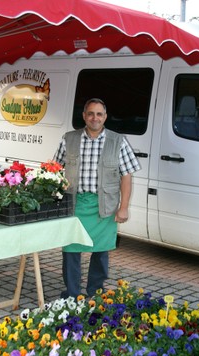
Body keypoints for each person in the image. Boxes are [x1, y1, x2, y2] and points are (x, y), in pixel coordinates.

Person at [54, 98, 140, 299]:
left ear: (105, 117)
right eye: (90, 113)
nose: (95, 118)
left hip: (104, 206)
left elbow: (126, 176)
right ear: (84, 116)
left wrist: (124, 207)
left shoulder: (118, 141)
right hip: (74, 204)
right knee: (71, 251)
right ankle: (72, 295)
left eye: (99, 114)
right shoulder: (68, 138)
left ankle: (95, 292)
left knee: (101, 251)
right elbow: (55, 169)